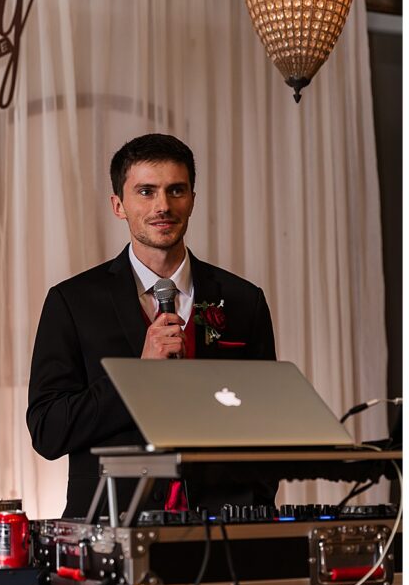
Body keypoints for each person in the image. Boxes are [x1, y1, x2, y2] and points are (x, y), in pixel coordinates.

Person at [27, 134, 278, 519]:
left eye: (176, 190)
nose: (163, 205)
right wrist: (137, 377)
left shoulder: (245, 300)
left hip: (226, 528)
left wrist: (254, 504)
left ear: (193, 198)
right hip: (112, 525)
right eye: (146, 191)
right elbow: (48, 431)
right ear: (119, 205)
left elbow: (269, 423)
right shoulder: (72, 302)